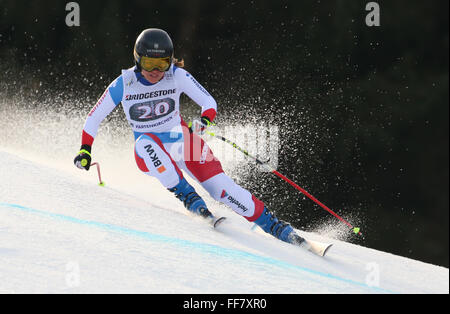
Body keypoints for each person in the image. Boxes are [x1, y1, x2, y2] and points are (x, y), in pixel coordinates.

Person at [74, 28, 306, 247]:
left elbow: (209, 102)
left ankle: (277, 228)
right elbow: (94, 118)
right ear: (137, 59)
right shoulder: (124, 84)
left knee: (221, 189)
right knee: (145, 142)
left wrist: (205, 120)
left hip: (181, 141)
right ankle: (190, 198)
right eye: (149, 63)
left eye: (162, 63)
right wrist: (85, 150)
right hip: (150, 151)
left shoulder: (176, 75)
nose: (156, 71)